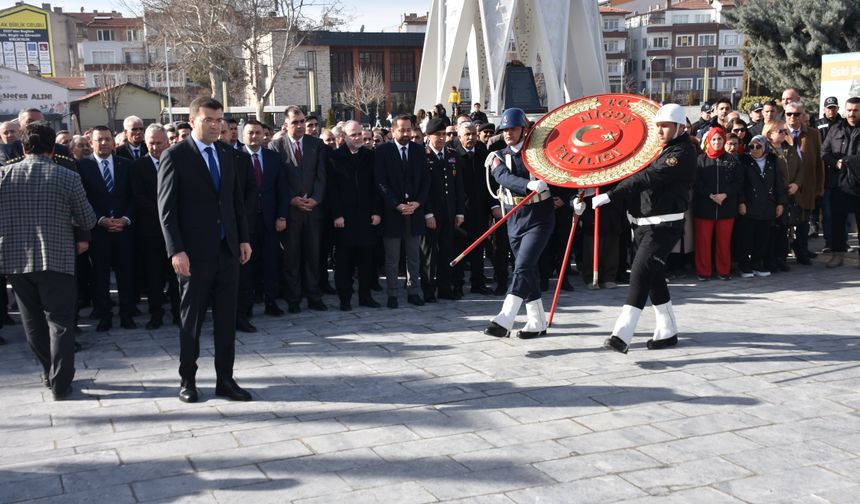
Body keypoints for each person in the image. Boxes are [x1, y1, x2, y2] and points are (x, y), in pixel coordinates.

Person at [158, 97, 252, 403]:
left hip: (227, 252)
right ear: (193, 120)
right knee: (192, 320)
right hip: (193, 256)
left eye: (220, 120)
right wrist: (176, 251)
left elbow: (235, 202)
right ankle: (188, 379)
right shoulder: (175, 156)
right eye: (209, 120)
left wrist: (243, 239)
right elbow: (167, 211)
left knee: (227, 320)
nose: (216, 125)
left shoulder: (227, 153)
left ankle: (225, 379)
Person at [0, 121, 97, 399]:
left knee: (32, 322)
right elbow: (88, 218)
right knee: (61, 322)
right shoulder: (67, 177)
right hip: (57, 258)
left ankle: (50, 372)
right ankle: (61, 381)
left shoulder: (3, 175)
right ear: (53, 148)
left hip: (16, 261)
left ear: (24, 146)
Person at [593, 103, 697, 353]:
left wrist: (611, 196)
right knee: (653, 278)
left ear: (680, 127)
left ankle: (622, 334)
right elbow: (627, 170)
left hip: (664, 226)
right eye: (658, 126)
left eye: (665, 126)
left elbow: (647, 178)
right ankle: (668, 330)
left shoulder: (682, 153)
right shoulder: (659, 149)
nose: (660, 131)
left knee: (640, 273)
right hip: (642, 225)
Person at [483, 108, 573, 340]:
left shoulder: (540, 154)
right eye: (505, 130)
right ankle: (537, 321)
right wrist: (527, 186)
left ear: (524, 129)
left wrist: (571, 198)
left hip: (540, 216)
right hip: (514, 216)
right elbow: (502, 177)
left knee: (523, 265)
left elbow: (564, 174)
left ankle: (506, 317)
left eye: (512, 128)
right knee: (527, 268)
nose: (508, 133)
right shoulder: (497, 156)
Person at [268, 106, 328, 313]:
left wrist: (316, 199)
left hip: (313, 210)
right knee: (291, 257)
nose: (301, 125)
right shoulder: (276, 146)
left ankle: (314, 296)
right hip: (291, 212)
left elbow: (321, 176)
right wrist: (291, 199)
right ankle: (293, 298)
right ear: (286, 125)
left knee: (313, 255)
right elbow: (278, 179)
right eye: (296, 122)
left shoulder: (316, 144)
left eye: (302, 121)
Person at [77, 126, 137, 331]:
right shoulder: (82, 167)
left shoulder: (127, 165)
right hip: (98, 230)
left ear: (113, 142)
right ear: (91, 143)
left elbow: (134, 196)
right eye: (99, 139)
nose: (103, 143)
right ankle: (105, 316)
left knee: (126, 274)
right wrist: (100, 219)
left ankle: (127, 315)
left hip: (124, 230)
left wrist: (126, 219)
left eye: (107, 139)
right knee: (100, 276)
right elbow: (82, 199)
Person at [375, 115, 430, 308]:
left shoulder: (418, 150)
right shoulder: (382, 152)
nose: (406, 133)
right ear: (392, 131)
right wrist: (396, 204)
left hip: (414, 212)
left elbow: (425, 181)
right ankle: (392, 293)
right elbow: (381, 183)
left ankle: (413, 290)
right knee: (392, 257)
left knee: (414, 256)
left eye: (408, 130)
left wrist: (418, 203)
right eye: (401, 130)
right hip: (393, 213)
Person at [328, 120, 382, 311]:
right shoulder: (335, 158)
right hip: (344, 219)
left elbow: (377, 187)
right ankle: (345, 298)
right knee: (344, 262)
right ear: (344, 137)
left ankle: (365, 296)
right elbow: (332, 190)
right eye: (354, 135)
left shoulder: (370, 156)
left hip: (367, 217)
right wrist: (337, 215)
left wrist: (376, 211)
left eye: (360, 134)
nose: (358, 138)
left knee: (367, 260)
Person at [130, 124, 180, 330]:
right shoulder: (138, 166)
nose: (154, 147)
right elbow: (138, 196)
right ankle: (156, 314)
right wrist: (163, 212)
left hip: (176, 231)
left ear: (167, 142)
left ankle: (179, 314)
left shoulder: (178, 163)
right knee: (154, 276)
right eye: (150, 143)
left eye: (159, 143)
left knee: (177, 276)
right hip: (151, 231)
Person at [239, 119, 288, 324]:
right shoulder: (236, 158)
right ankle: (246, 305)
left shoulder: (273, 158)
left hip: (270, 221)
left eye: (258, 133)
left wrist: (282, 216)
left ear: (264, 135)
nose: (254, 136)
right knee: (246, 266)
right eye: (250, 133)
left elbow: (282, 190)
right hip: (245, 223)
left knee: (271, 263)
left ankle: (271, 302)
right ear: (244, 135)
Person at [420, 117, 465, 302]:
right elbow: (423, 188)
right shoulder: (424, 155)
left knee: (448, 251)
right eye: (437, 135)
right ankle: (429, 290)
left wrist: (459, 211)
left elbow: (459, 186)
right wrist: (428, 213)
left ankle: (445, 288)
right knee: (429, 254)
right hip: (432, 213)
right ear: (428, 136)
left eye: (443, 134)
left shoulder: (452, 154)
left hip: (449, 212)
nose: (441, 138)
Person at [693, 127, 741, 281]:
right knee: (703, 242)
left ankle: (723, 270)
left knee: (724, 242)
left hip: (726, 207)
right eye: (713, 139)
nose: (717, 142)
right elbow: (696, 182)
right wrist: (710, 195)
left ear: (724, 141)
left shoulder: (732, 160)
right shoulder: (700, 160)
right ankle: (703, 271)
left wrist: (725, 194)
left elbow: (738, 182)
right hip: (704, 207)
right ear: (708, 141)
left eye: (719, 139)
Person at [452, 121, 493, 295]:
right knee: (459, 248)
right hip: (461, 211)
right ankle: (458, 284)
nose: (471, 137)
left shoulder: (483, 153)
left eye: (473, 134)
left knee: (478, 248)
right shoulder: (453, 154)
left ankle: (478, 282)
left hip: (480, 210)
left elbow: (490, 182)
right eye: (467, 134)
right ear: (459, 136)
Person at [737, 135, 786, 277]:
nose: (754, 149)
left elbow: (779, 184)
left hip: (767, 204)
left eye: (758, 146)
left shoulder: (772, 161)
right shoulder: (744, 161)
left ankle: (757, 263)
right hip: (750, 204)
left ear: (765, 147)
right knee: (746, 237)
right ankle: (744, 265)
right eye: (751, 146)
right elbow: (740, 184)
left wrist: (780, 203)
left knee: (763, 237)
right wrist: (741, 202)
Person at [784, 101, 824, 265]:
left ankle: (802, 252)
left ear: (803, 115)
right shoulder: (779, 132)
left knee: (803, 221)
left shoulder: (813, 134)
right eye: (789, 114)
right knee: (783, 222)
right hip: (786, 185)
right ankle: (782, 253)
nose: (792, 117)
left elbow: (818, 163)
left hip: (807, 185)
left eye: (796, 114)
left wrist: (820, 186)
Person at [822, 96, 860, 268]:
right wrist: (834, 162)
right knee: (837, 222)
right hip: (839, 184)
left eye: (856, 110)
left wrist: (850, 162)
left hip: (858, 184)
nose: (852, 113)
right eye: (849, 110)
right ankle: (838, 255)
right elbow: (825, 152)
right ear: (845, 110)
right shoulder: (836, 129)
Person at [764, 118, 803, 272]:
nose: (784, 133)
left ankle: (781, 258)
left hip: (790, 195)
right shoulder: (765, 151)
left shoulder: (790, 149)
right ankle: (770, 259)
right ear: (769, 134)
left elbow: (801, 168)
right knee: (772, 230)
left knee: (783, 229)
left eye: (784, 130)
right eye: (780, 131)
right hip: (774, 197)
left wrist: (796, 184)